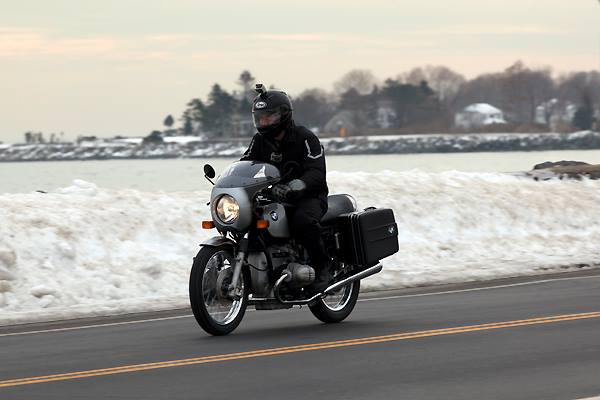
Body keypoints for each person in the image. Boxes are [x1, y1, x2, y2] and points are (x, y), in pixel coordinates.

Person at [241, 84, 331, 292]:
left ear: (283, 115)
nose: (263, 121)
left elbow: (316, 173)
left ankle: (322, 265)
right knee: (250, 219)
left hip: (310, 197)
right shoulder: (260, 141)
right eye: (259, 117)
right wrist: (231, 183)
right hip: (276, 196)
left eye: (268, 116)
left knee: (302, 221)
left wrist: (294, 186)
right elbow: (246, 164)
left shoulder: (305, 138)